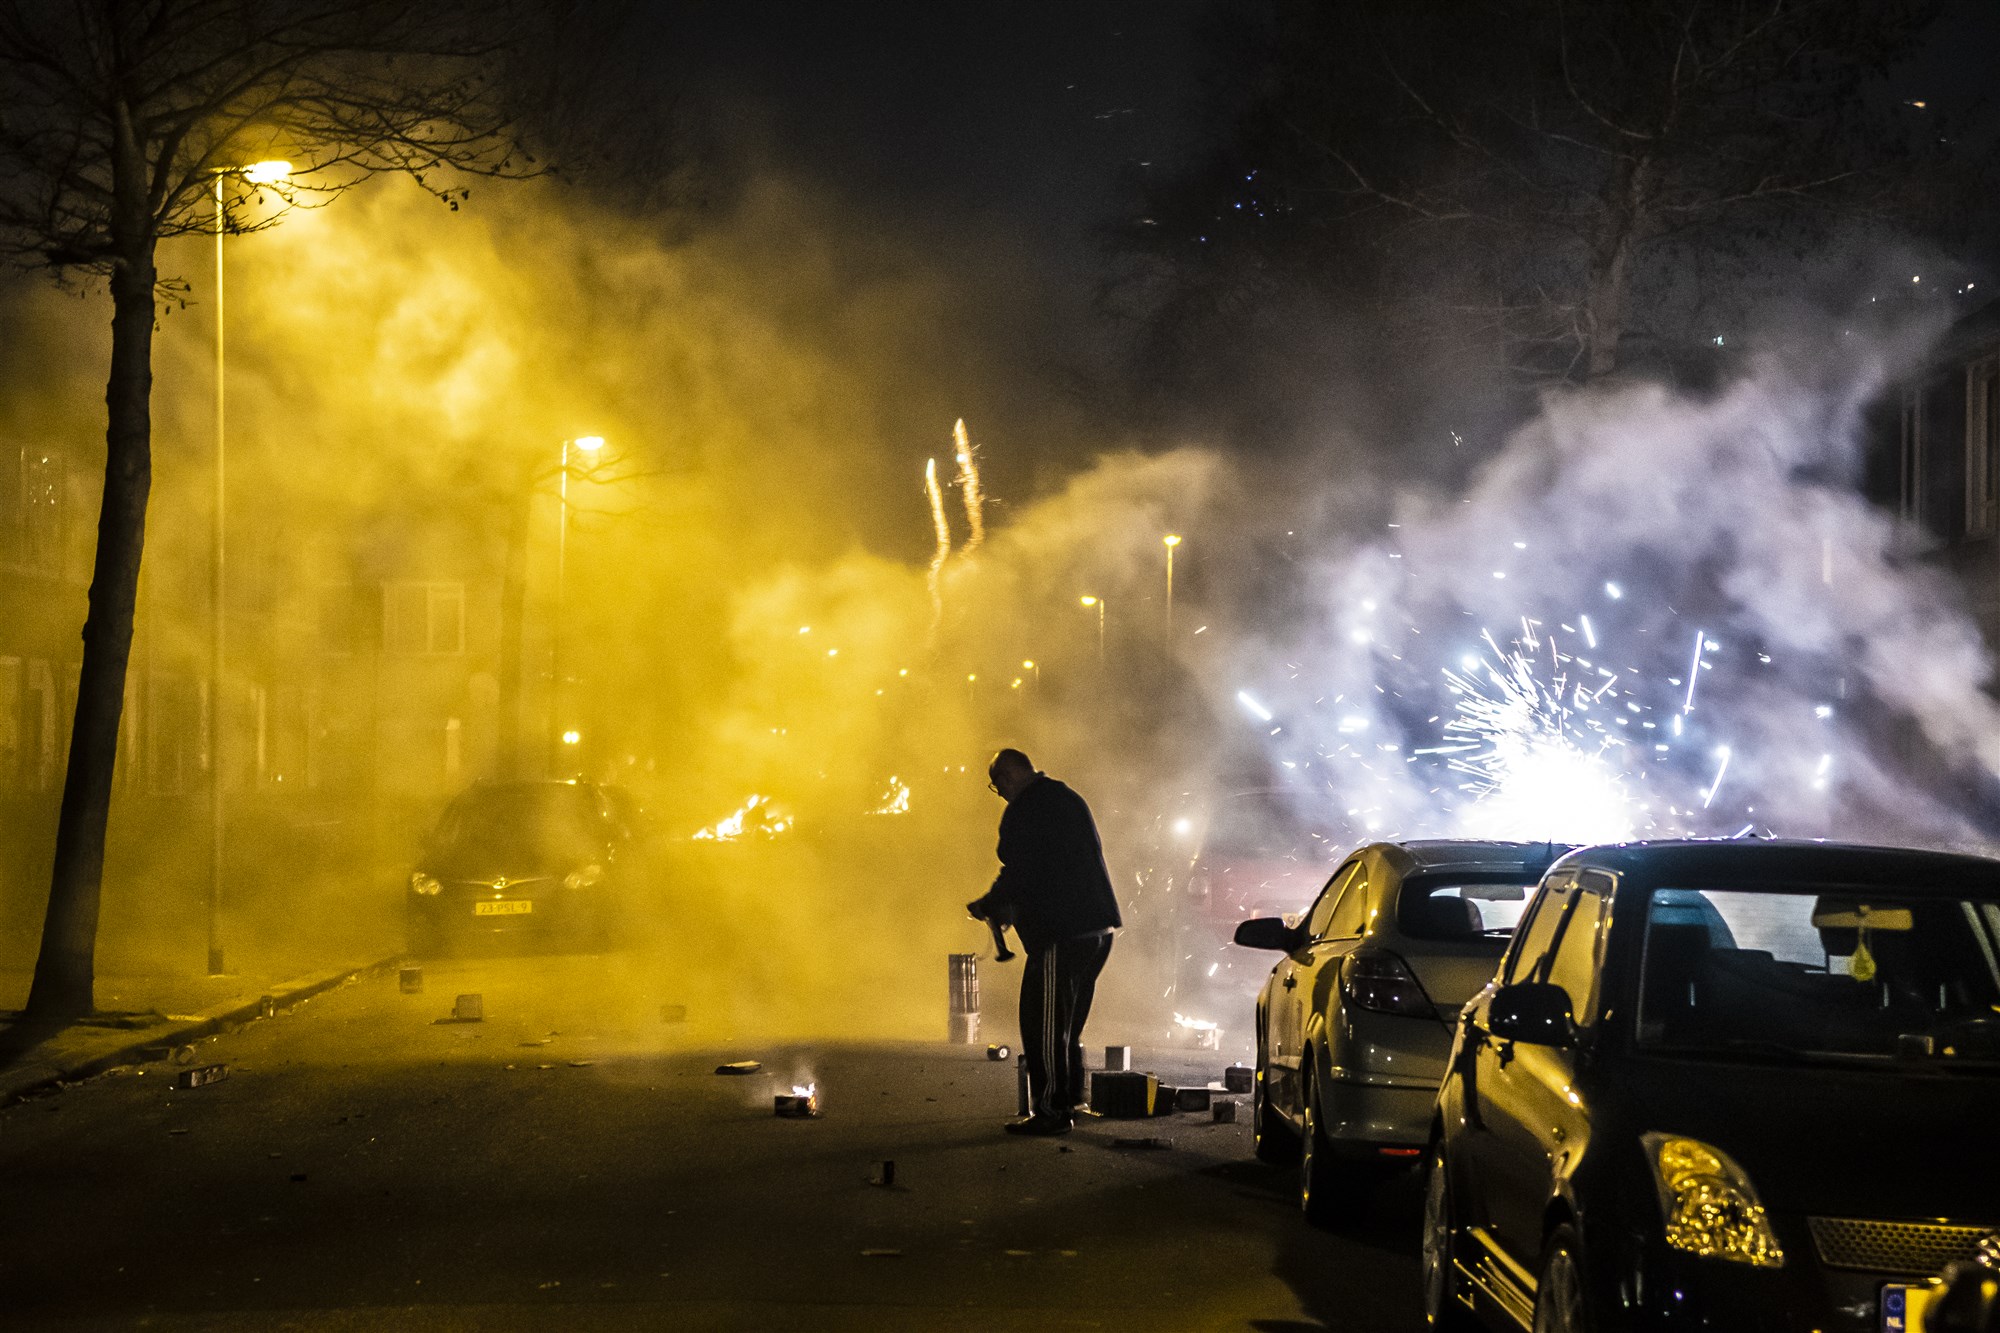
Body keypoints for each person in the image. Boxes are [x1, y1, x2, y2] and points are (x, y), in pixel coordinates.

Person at [967, 748, 1120, 1136]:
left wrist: (992, 903)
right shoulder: (1065, 798)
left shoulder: (1027, 808)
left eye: (996, 785)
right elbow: (1048, 867)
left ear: (1007, 776)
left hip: (1062, 933)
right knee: (1066, 1023)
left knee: (1044, 1024)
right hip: (1096, 930)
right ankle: (1070, 1099)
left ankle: (1052, 1111)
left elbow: (1020, 869)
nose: (998, 794)